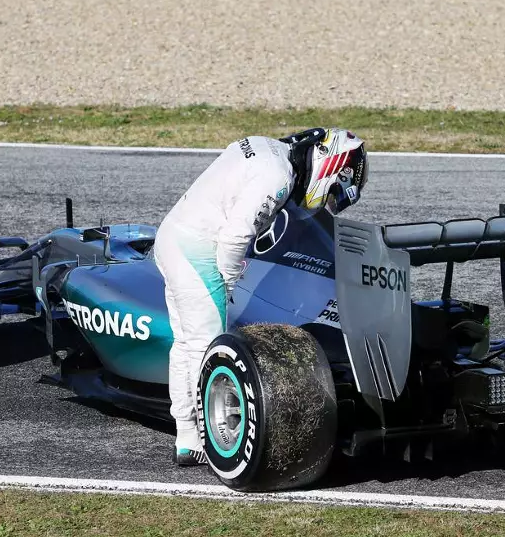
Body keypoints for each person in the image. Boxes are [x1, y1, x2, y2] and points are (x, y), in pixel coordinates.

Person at [153, 127, 368, 465]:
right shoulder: (278, 177)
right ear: (330, 167)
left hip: (173, 236)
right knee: (208, 346)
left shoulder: (271, 150)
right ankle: (215, 439)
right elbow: (236, 237)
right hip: (197, 250)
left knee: (186, 343)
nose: (326, 201)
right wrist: (227, 283)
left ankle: (188, 436)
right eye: (332, 193)